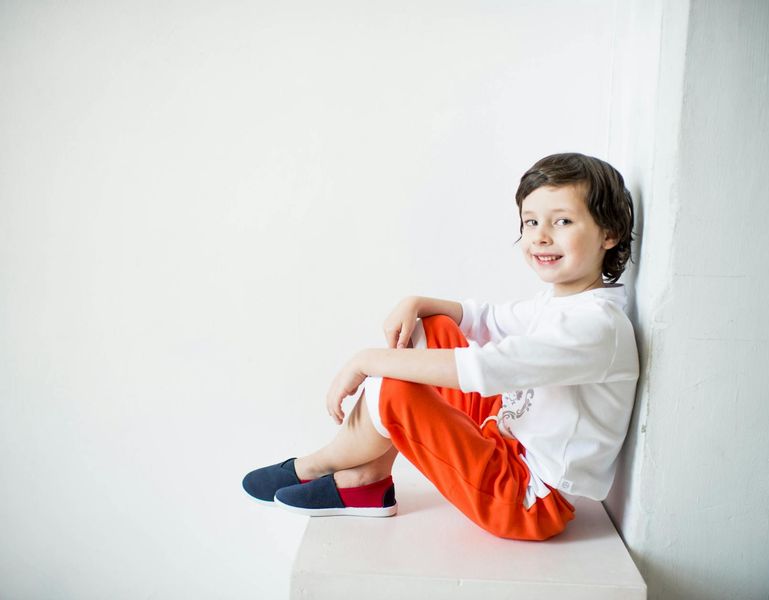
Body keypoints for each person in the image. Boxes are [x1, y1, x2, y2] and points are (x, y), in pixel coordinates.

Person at [242, 152, 639, 541]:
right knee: (433, 329)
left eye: (563, 221)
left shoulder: (596, 326)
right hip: (502, 435)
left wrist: (368, 361)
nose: (540, 236)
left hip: (527, 498)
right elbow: (487, 320)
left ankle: (318, 464)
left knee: (396, 384)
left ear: (609, 233)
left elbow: (486, 369)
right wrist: (418, 302)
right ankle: (368, 479)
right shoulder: (561, 304)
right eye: (531, 221)